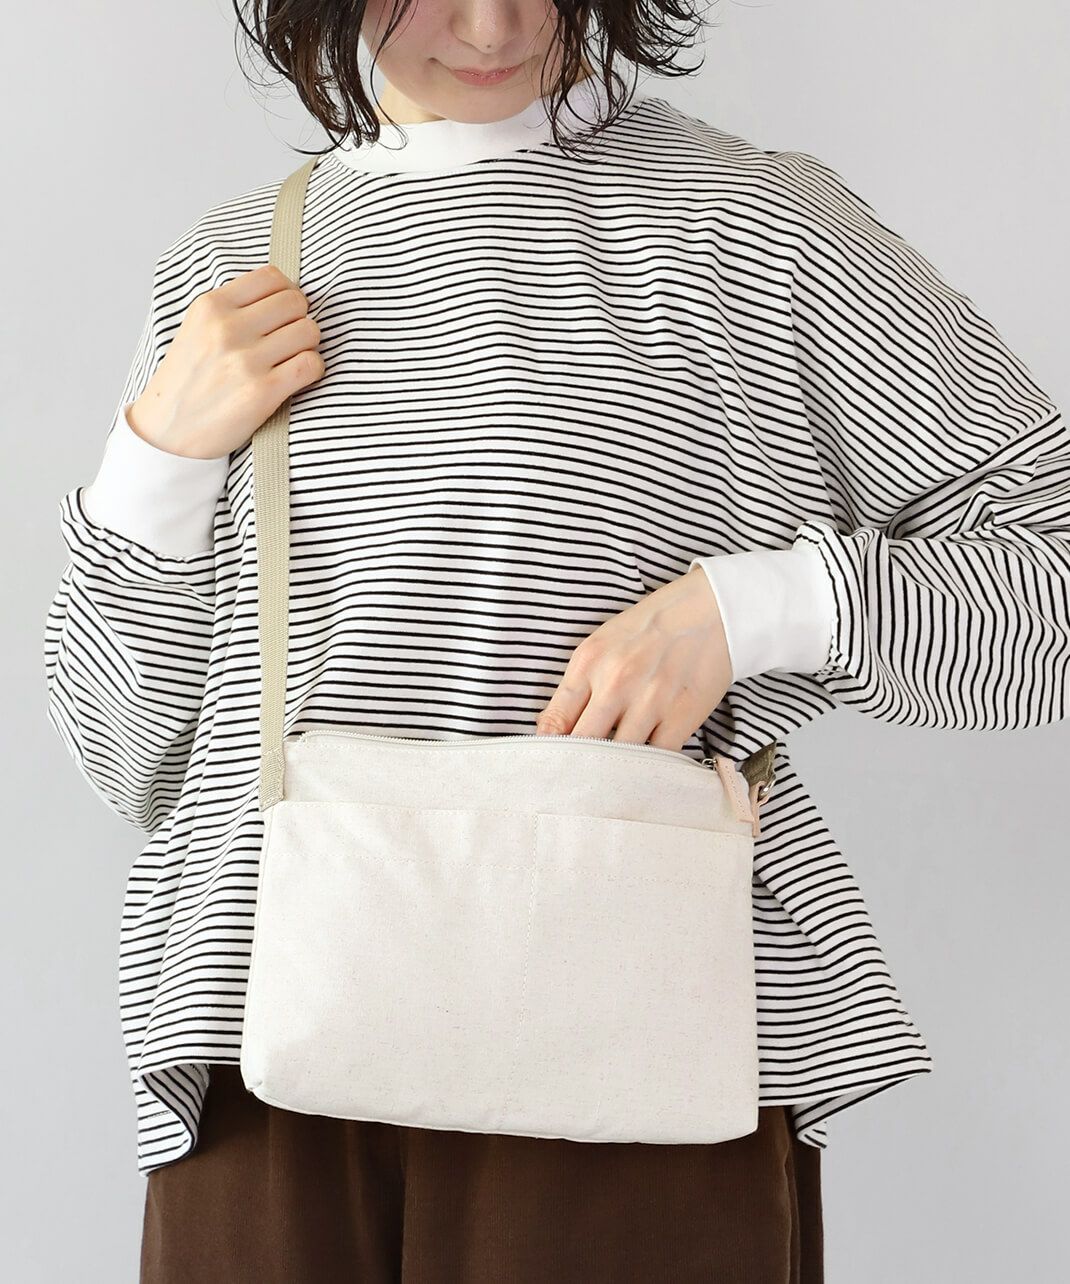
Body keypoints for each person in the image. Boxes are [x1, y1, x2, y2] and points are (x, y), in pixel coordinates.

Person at [43, 0, 1070, 1279]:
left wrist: (749, 611)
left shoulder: (752, 225)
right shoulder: (233, 266)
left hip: (633, 1032)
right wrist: (155, 459)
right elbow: (127, 759)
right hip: (268, 1055)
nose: (494, 26)